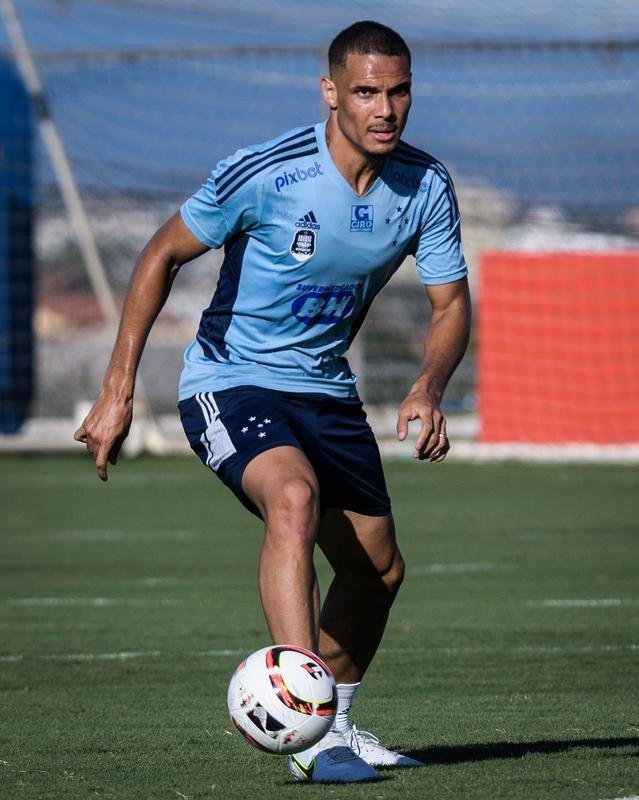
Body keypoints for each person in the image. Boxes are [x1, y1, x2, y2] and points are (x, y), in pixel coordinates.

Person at [75, 20, 471, 783]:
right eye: (364, 92)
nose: (383, 109)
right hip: (229, 382)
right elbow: (161, 252)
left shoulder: (424, 186)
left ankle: (341, 726)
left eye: (397, 92)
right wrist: (118, 389)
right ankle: (310, 737)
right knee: (292, 497)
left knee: (377, 575)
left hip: (325, 392)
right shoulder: (267, 172)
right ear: (330, 93)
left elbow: (450, 306)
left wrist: (427, 385)